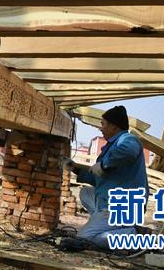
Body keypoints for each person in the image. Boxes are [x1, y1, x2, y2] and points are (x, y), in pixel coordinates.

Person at [60, 105, 148, 251]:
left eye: (103, 124)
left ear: (114, 126)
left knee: (84, 237)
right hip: (110, 202)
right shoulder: (112, 146)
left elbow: (130, 151)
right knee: (85, 193)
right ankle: (106, 224)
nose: (100, 128)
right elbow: (98, 177)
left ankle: (134, 235)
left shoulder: (128, 139)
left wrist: (104, 164)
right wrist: (74, 167)